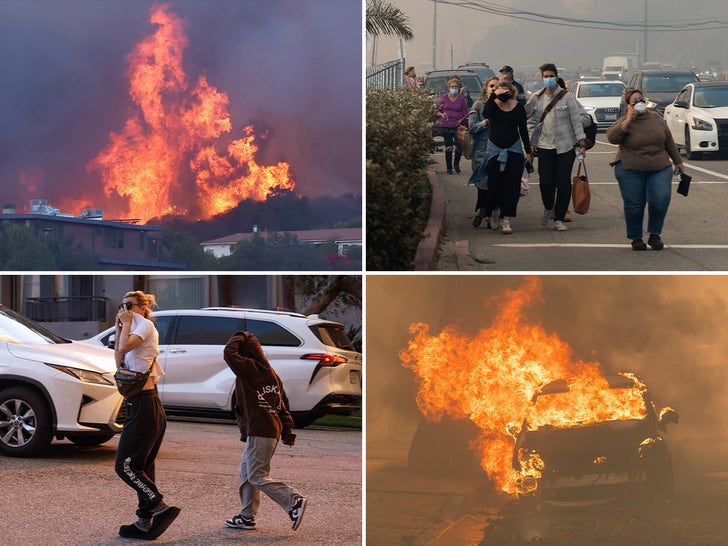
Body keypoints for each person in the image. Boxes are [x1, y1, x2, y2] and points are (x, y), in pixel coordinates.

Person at [223, 331, 308, 532]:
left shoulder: (249, 368)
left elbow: (228, 353)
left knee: (256, 475)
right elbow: (279, 405)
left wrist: (242, 334)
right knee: (247, 472)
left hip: (261, 430)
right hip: (269, 430)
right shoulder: (269, 372)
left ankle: (293, 500)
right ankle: (247, 517)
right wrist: (287, 430)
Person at [114, 290, 180, 540]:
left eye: (129, 305)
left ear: (143, 307)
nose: (125, 309)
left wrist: (127, 325)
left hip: (146, 406)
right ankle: (144, 521)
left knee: (125, 466)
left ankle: (159, 505)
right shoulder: (131, 326)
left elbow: (126, 346)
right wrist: (120, 327)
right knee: (142, 467)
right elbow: (119, 359)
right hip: (139, 406)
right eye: (122, 306)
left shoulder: (146, 327)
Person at [606, 88, 685, 251]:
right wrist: (628, 121)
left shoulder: (656, 118)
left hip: (659, 167)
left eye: (640, 99)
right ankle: (636, 238)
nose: (639, 103)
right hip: (630, 169)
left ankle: (655, 235)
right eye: (634, 101)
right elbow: (612, 138)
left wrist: (678, 161)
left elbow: (668, 140)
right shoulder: (623, 121)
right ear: (628, 105)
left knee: (660, 200)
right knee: (634, 205)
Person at [526, 63, 587, 231]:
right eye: (545, 76)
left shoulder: (567, 97)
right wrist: (531, 142)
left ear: (557, 77)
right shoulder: (536, 98)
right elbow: (529, 119)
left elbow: (576, 121)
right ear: (541, 78)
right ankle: (548, 206)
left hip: (565, 147)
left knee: (563, 183)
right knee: (545, 182)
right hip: (544, 147)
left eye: (551, 76)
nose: (548, 79)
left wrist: (582, 143)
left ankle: (559, 218)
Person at [471, 79, 532, 234]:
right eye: (500, 90)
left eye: (506, 91)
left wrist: (529, 151)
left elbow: (523, 129)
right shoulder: (492, 105)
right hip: (494, 151)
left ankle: (507, 220)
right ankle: (492, 212)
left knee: (511, 188)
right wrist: (494, 96)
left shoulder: (518, 107)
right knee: (494, 187)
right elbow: (486, 114)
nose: (503, 94)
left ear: (511, 91)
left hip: (514, 151)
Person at [469, 77, 498, 228]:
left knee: (495, 183)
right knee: (483, 183)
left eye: (497, 86)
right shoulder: (478, 105)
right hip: (481, 149)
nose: (494, 88)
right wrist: (485, 122)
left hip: (499, 149)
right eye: (491, 86)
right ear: (486, 88)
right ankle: (482, 211)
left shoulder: (504, 105)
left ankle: (490, 213)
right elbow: (472, 127)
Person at [436, 77, 469, 174]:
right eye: (452, 86)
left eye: (456, 86)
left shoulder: (461, 98)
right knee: (448, 146)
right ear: (449, 87)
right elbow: (437, 111)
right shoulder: (443, 98)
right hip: (446, 125)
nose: (454, 88)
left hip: (458, 126)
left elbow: (465, 113)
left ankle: (456, 164)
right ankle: (449, 167)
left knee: (459, 145)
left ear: (459, 87)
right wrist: (442, 115)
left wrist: (463, 123)